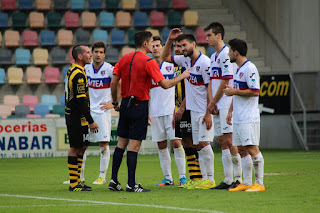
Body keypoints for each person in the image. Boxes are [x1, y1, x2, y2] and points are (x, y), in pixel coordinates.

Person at [108, 31, 190, 193]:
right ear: (145, 44)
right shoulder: (148, 61)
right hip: (140, 105)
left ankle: (114, 180)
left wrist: (115, 102)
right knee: (135, 145)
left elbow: (114, 82)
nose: (153, 45)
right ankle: (131, 184)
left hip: (125, 104)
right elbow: (165, 84)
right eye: (151, 42)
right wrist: (183, 76)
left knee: (121, 144)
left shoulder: (123, 58)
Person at [162, 29, 215, 189]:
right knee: (198, 145)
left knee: (204, 144)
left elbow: (209, 89)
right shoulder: (185, 61)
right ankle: (202, 179)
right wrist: (170, 40)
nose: (182, 48)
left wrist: (208, 113)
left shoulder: (204, 63)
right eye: (180, 46)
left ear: (194, 44)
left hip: (202, 110)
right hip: (192, 110)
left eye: (184, 45)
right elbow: (164, 58)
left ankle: (210, 179)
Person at [204, 22, 243, 190]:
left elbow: (226, 81)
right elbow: (212, 81)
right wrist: (212, 102)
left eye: (209, 36)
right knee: (221, 140)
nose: (206, 39)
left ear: (218, 35)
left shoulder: (226, 55)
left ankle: (239, 178)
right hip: (217, 103)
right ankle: (227, 179)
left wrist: (213, 102)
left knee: (229, 139)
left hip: (226, 101)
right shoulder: (213, 56)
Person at [224, 38, 265, 192]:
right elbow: (237, 94)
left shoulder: (250, 68)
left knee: (252, 148)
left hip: (248, 117)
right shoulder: (238, 69)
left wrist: (234, 91)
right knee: (241, 149)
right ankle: (247, 182)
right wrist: (230, 111)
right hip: (239, 117)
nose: (228, 54)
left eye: (229, 51)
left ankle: (259, 183)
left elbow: (255, 91)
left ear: (236, 52)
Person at [149, 36, 187, 187]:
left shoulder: (172, 66)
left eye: (158, 45)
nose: (156, 48)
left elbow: (183, 87)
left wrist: (178, 107)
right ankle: (167, 178)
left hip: (171, 111)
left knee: (177, 142)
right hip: (155, 112)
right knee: (161, 145)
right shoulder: (148, 67)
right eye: (153, 46)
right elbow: (146, 90)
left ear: (163, 47)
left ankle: (183, 177)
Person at [65, 45, 99, 191]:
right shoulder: (78, 74)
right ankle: (74, 183)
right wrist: (90, 121)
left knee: (82, 146)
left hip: (76, 115)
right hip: (76, 116)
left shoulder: (74, 70)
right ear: (80, 56)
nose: (90, 54)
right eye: (87, 52)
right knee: (75, 148)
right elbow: (80, 100)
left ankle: (78, 180)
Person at [82, 41, 114, 185]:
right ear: (92, 53)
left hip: (102, 111)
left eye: (101, 52)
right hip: (87, 111)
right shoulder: (85, 69)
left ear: (104, 54)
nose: (98, 55)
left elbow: (119, 84)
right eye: (96, 52)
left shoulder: (109, 69)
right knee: (81, 144)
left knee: (103, 143)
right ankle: (79, 176)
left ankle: (102, 176)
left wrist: (113, 103)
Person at [172, 40, 202, 185]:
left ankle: (202, 176)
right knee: (187, 142)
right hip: (179, 109)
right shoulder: (172, 66)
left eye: (181, 46)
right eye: (176, 47)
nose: (178, 49)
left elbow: (191, 89)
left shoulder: (189, 63)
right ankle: (194, 177)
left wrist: (182, 107)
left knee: (197, 143)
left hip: (191, 107)